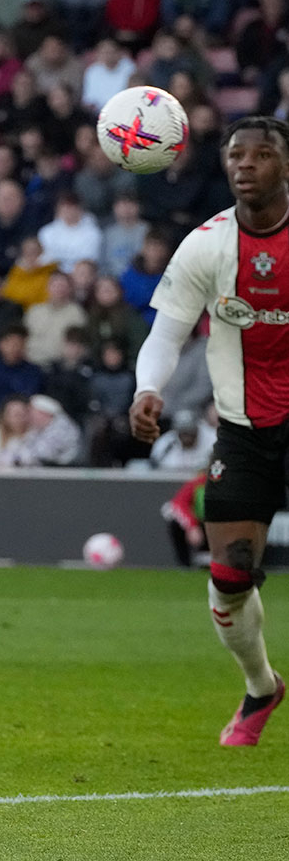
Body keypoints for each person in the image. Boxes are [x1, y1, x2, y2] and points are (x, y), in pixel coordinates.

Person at [130, 116, 289, 746]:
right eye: (235, 155)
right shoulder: (206, 245)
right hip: (246, 430)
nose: (245, 164)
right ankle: (262, 687)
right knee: (229, 577)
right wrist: (148, 390)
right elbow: (166, 335)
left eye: (262, 154)